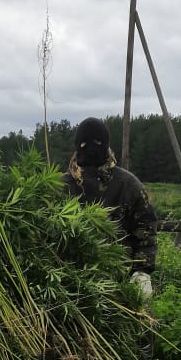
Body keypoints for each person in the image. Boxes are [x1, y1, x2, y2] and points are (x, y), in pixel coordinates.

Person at [63, 117, 157, 298]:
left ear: (105, 145)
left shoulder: (128, 185)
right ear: (77, 146)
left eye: (97, 143)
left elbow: (146, 232)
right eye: (84, 144)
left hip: (118, 285)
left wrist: (142, 271)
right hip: (67, 284)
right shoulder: (61, 186)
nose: (90, 149)